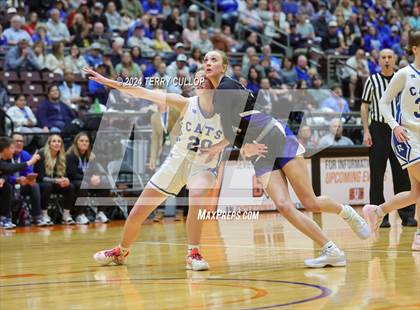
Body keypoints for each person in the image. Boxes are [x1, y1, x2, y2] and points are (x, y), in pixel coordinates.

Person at [201, 50, 369, 268]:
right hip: (260, 153)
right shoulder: (217, 95)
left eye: (213, 59)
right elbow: (230, 134)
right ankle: (331, 250)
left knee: (310, 201)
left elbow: (220, 121)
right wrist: (215, 149)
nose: (208, 62)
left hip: (277, 138)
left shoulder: (226, 86)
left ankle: (346, 213)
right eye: (205, 60)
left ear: (224, 67)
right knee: (283, 205)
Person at [85, 67, 223, 270]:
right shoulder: (185, 102)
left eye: (205, 79)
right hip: (177, 161)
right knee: (137, 213)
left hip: (204, 165)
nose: (199, 82)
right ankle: (120, 251)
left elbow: (240, 132)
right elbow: (143, 92)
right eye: (197, 79)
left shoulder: (226, 110)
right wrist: (109, 82)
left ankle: (193, 253)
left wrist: (221, 146)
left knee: (196, 195)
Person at [363, 31, 420, 251]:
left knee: (415, 193)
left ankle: (376, 211)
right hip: (406, 136)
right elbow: (384, 103)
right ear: (414, 48)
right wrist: (394, 125)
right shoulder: (404, 74)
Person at [66, 132, 110, 224]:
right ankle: (79, 215)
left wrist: (97, 176)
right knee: (83, 184)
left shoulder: (91, 156)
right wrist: (89, 179)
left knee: (106, 182)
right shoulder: (70, 155)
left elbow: (96, 170)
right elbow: (72, 174)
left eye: (86, 141)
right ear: (76, 142)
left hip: (88, 180)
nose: (84, 143)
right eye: (81, 141)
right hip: (74, 181)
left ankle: (100, 213)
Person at [33, 134, 76, 225]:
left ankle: (66, 215)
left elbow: (63, 174)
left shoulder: (62, 156)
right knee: (47, 186)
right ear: (49, 144)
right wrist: (55, 181)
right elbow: (40, 176)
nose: (57, 143)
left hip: (55, 183)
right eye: (54, 141)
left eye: (59, 141)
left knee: (70, 186)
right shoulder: (41, 153)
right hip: (41, 183)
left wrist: (65, 180)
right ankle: (44, 215)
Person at [0, 136, 40, 229]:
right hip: (15, 183)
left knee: (7, 187)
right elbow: (8, 167)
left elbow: (6, 172)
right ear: (5, 149)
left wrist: (2, 179)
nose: (13, 150)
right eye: (12, 148)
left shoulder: (8, 157)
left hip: (17, 184)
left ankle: (4, 218)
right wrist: (29, 162)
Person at [9, 134, 46, 226]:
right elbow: (5, 173)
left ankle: (37, 217)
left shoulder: (25, 154)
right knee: (8, 187)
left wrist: (30, 179)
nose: (19, 143)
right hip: (9, 184)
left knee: (35, 186)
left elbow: (29, 172)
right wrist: (16, 179)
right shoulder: (6, 155)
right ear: (10, 143)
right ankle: (7, 217)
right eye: (16, 141)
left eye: (21, 141)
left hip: (22, 184)